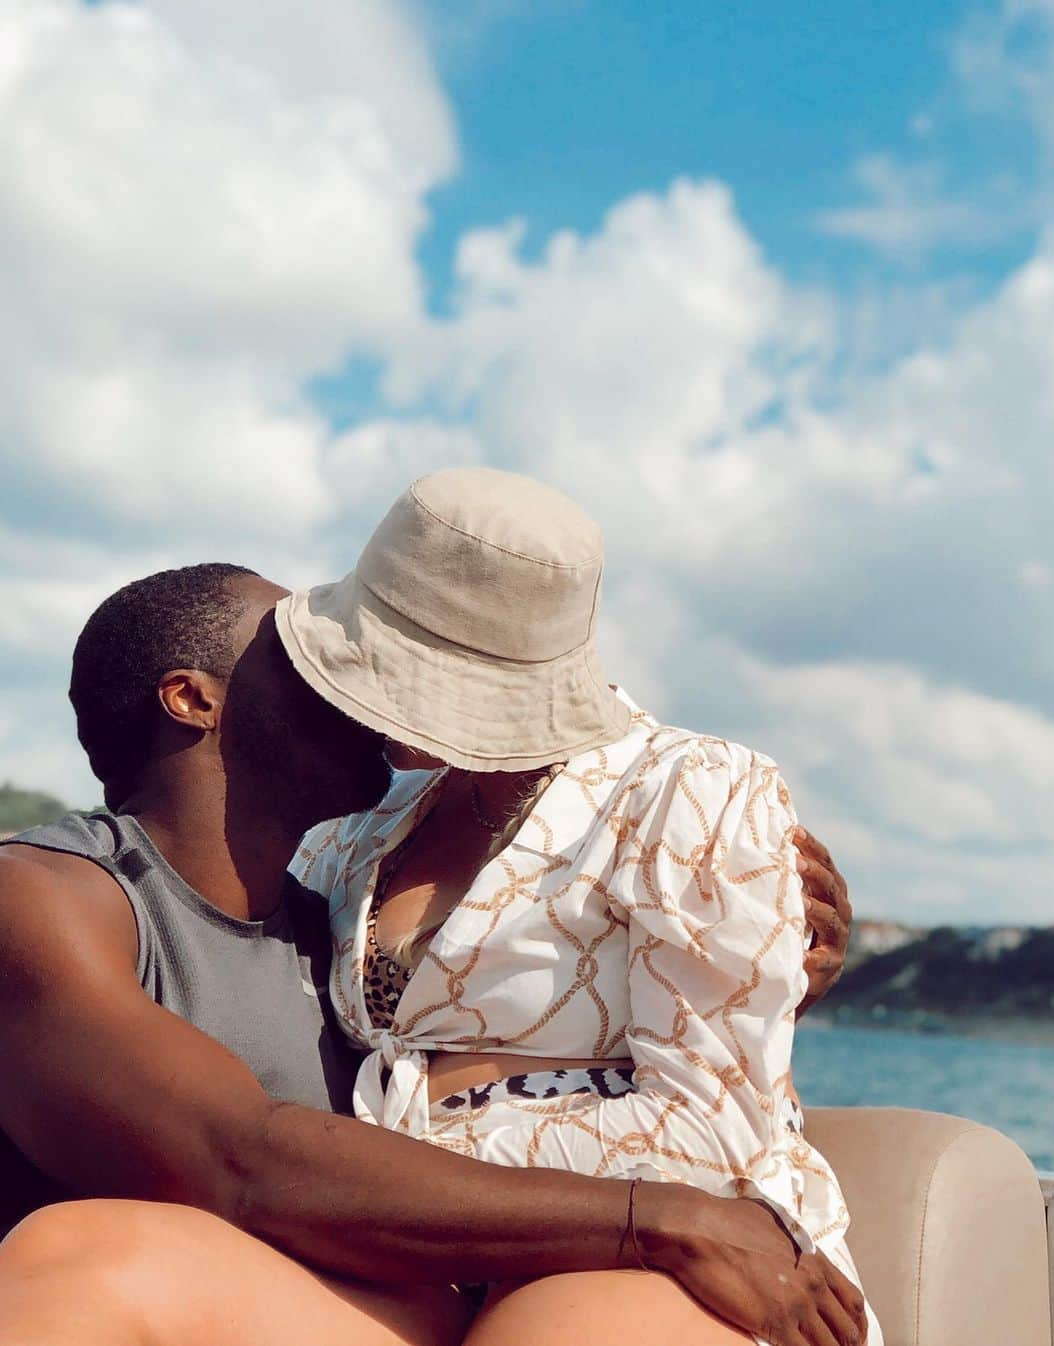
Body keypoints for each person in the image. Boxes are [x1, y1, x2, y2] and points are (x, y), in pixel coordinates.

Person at [0, 536, 859, 1346]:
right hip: (164, 1291)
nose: (361, 670)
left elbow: (523, 1010)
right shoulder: (45, 898)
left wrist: (756, 930)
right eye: (307, 652)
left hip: (393, 1301)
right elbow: (241, 1158)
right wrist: (657, 1217)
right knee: (86, 1254)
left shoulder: (334, 931)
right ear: (195, 698)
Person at [281, 467, 881, 1346]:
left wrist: (370, 1179)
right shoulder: (355, 829)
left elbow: (711, 1136)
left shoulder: (691, 787)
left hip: (684, 1259)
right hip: (399, 1250)